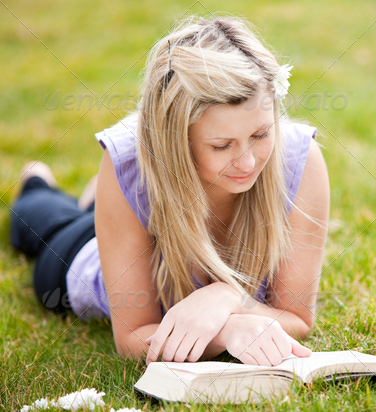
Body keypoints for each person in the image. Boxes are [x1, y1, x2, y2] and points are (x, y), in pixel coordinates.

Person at [9, 14, 330, 368]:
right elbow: (132, 338)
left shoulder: (298, 159)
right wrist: (225, 334)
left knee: (100, 203)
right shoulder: (133, 158)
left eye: (260, 135)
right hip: (82, 251)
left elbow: (296, 319)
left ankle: (101, 199)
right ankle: (39, 182)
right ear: (177, 142)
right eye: (222, 145)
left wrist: (228, 298)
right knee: (41, 215)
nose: (248, 163)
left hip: (135, 214)